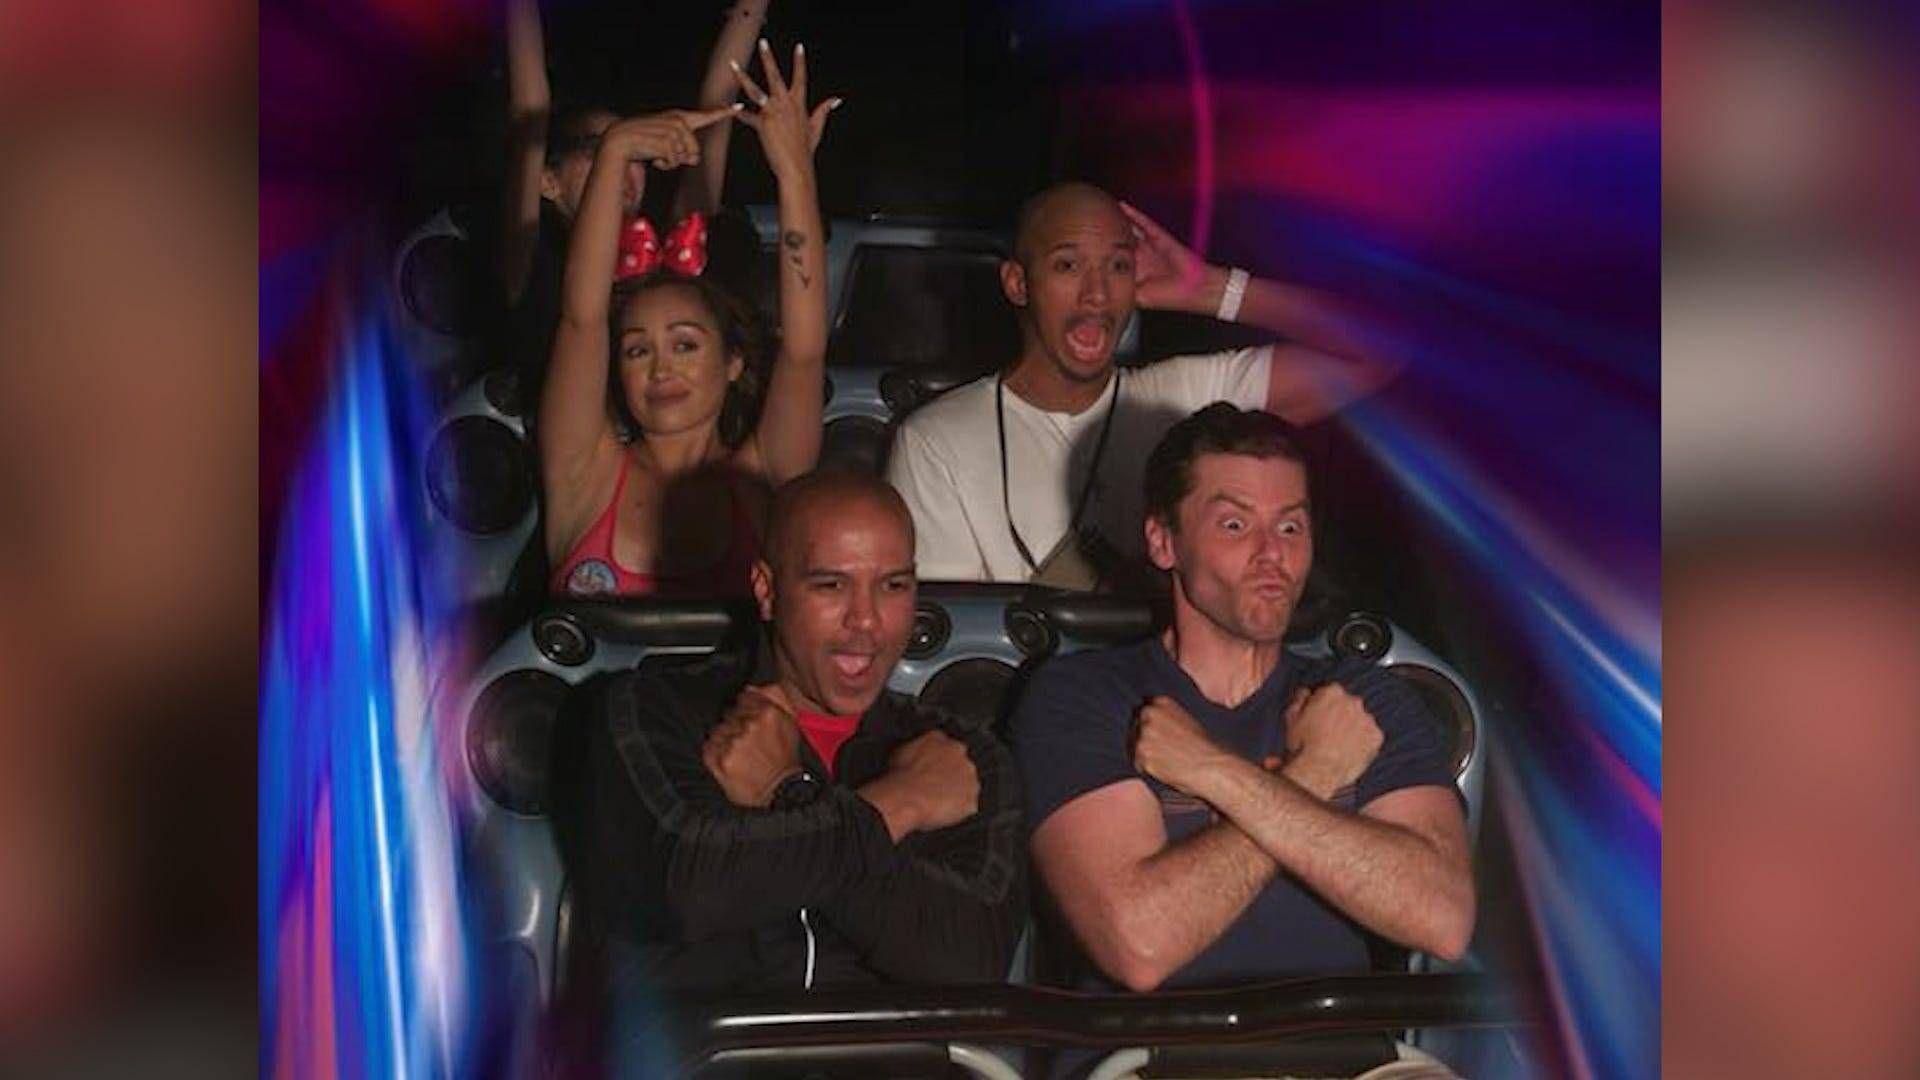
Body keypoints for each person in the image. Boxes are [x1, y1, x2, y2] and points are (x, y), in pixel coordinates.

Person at [1010, 405, 1472, 1065]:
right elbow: (1141, 943)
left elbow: (1442, 917)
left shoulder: (1357, 700)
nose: (1272, 554)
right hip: (1150, 1067)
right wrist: (1315, 773)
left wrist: (1214, 772)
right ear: (1163, 542)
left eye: (1291, 526)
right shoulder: (1083, 696)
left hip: (1339, 1064)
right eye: (1235, 525)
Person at [557, 470, 1026, 1068]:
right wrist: (898, 804)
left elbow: (969, 960)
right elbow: (693, 888)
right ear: (767, 590)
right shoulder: (654, 711)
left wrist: (787, 796)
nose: (866, 620)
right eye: (831, 585)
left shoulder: (953, 755)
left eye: (893, 586)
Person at [887, 181, 1410, 588]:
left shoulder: (1187, 398)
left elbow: (1389, 347)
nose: (1097, 293)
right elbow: (958, 649)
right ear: (1018, 283)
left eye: (1118, 266)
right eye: (1068, 265)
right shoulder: (936, 441)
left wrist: (1212, 290)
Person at [540, 40, 839, 598]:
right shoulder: (583, 474)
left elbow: (804, 349)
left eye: (685, 345)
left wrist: (796, 171)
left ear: (733, 362)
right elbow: (582, 317)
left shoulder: (764, 478)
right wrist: (616, 149)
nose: (661, 370)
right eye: (637, 350)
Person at [493, 0, 768, 420]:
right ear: (547, 181)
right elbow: (530, 108)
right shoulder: (532, 259)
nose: (622, 160)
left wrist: (751, 8)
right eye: (596, 148)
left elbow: (719, 101)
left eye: (636, 149)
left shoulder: (674, 252)